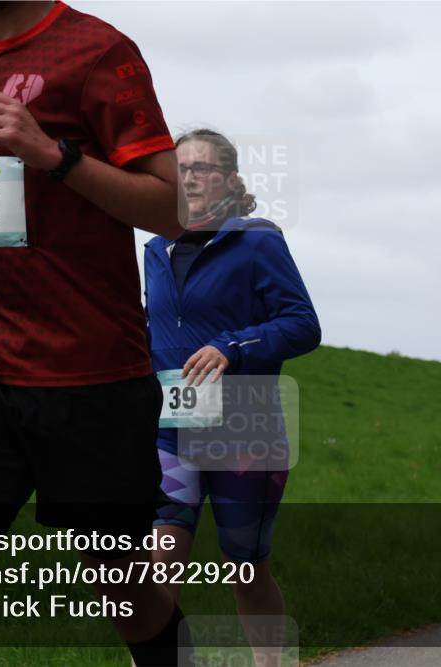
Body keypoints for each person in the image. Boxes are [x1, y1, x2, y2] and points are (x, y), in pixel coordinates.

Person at [0, 2, 190, 665]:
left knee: (124, 586)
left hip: (86, 371)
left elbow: (170, 209)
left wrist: (56, 155)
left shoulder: (99, 50)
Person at [143, 129, 321, 664]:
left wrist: (232, 347)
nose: (190, 177)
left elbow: (303, 324)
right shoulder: (156, 246)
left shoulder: (257, 239)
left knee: (244, 565)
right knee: (160, 560)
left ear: (231, 180)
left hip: (245, 430)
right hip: (172, 428)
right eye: (182, 169)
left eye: (203, 168)